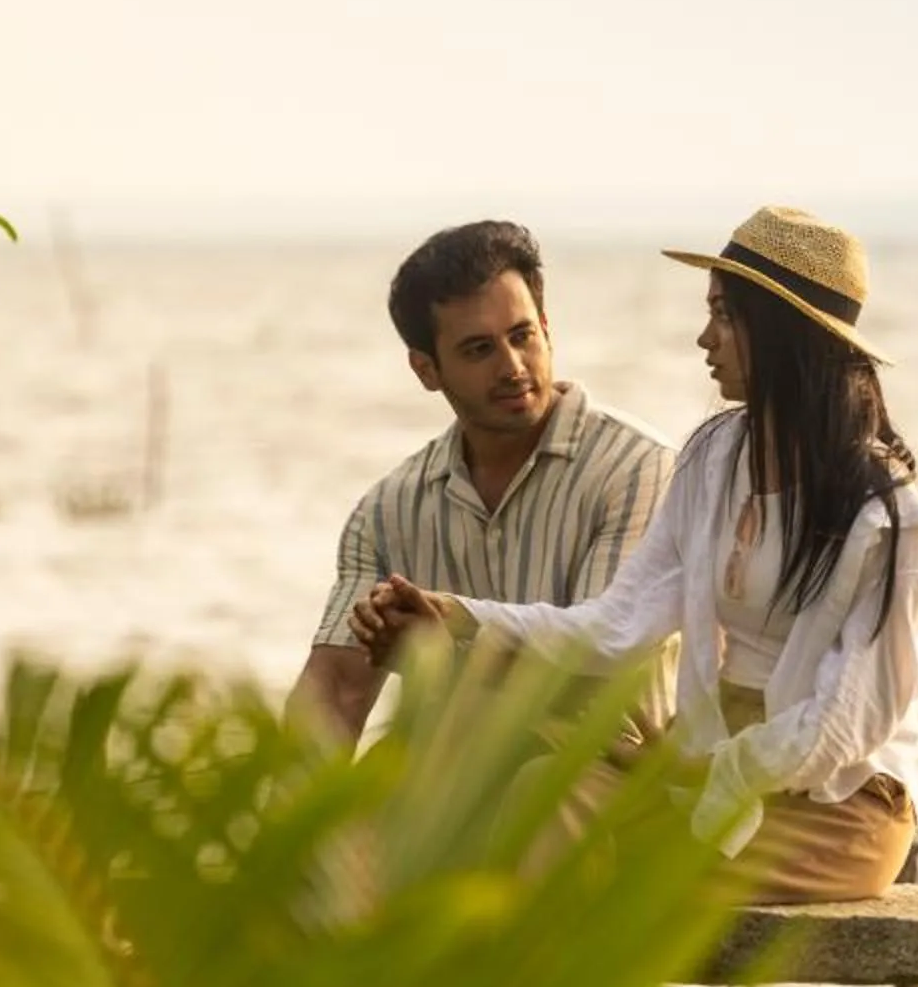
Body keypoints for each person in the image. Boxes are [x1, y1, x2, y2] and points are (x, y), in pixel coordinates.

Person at [354, 205, 918, 903]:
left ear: (778, 335)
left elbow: (843, 729)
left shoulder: (886, 517)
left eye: (723, 316)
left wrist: (711, 771)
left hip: (834, 809)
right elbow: (617, 626)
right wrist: (458, 615)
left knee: (585, 851)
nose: (703, 338)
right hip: (715, 772)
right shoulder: (715, 460)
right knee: (547, 788)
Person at [285, 219, 675, 745]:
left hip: (605, 791)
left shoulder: (638, 470)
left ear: (546, 329)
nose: (513, 366)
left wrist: (444, 650)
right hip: (446, 799)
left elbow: (595, 673)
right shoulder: (386, 513)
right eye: (478, 350)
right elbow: (334, 689)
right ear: (427, 370)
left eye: (522, 336)